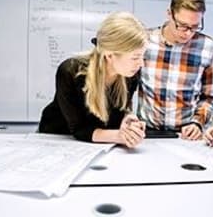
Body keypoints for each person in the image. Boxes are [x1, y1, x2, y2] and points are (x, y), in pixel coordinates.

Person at [39, 11, 148, 148]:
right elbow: (79, 129)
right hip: (57, 139)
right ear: (109, 55)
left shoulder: (130, 74)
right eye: (135, 57)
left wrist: (128, 121)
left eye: (142, 56)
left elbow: (120, 111)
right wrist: (120, 136)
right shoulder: (70, 72)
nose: (141, 64)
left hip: (99, 143)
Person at [137, 0, 213, 140]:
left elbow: (210, 97)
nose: (187, 33)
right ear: (170, 14)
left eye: (195, 27)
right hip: (147, 132)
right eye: (182, 25)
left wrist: (197, 123)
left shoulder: (206, 47)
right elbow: (126, 89)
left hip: (186, 135)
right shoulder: (145, 41)